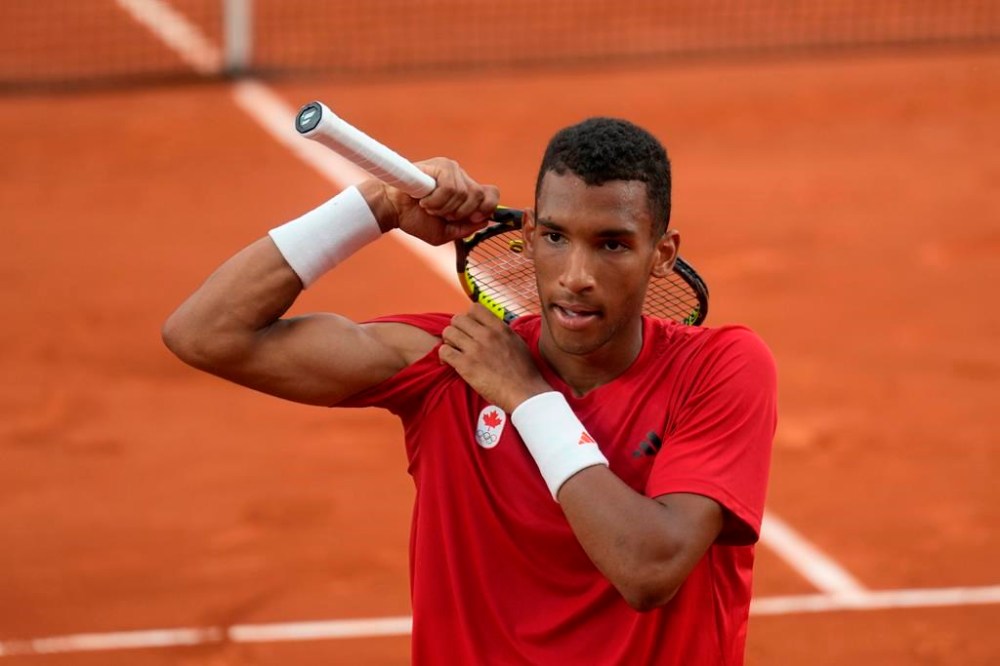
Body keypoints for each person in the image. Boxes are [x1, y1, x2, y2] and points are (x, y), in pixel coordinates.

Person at [163, 117, 776, 665]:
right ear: (528, 235)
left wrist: (528, 399)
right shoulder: (448, 364)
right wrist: (377, 206)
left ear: (662, 254)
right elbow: (203, 332)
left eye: (612, 244)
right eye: (556, 237)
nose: (576, 276)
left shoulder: (720, 367)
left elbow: (649, 568)